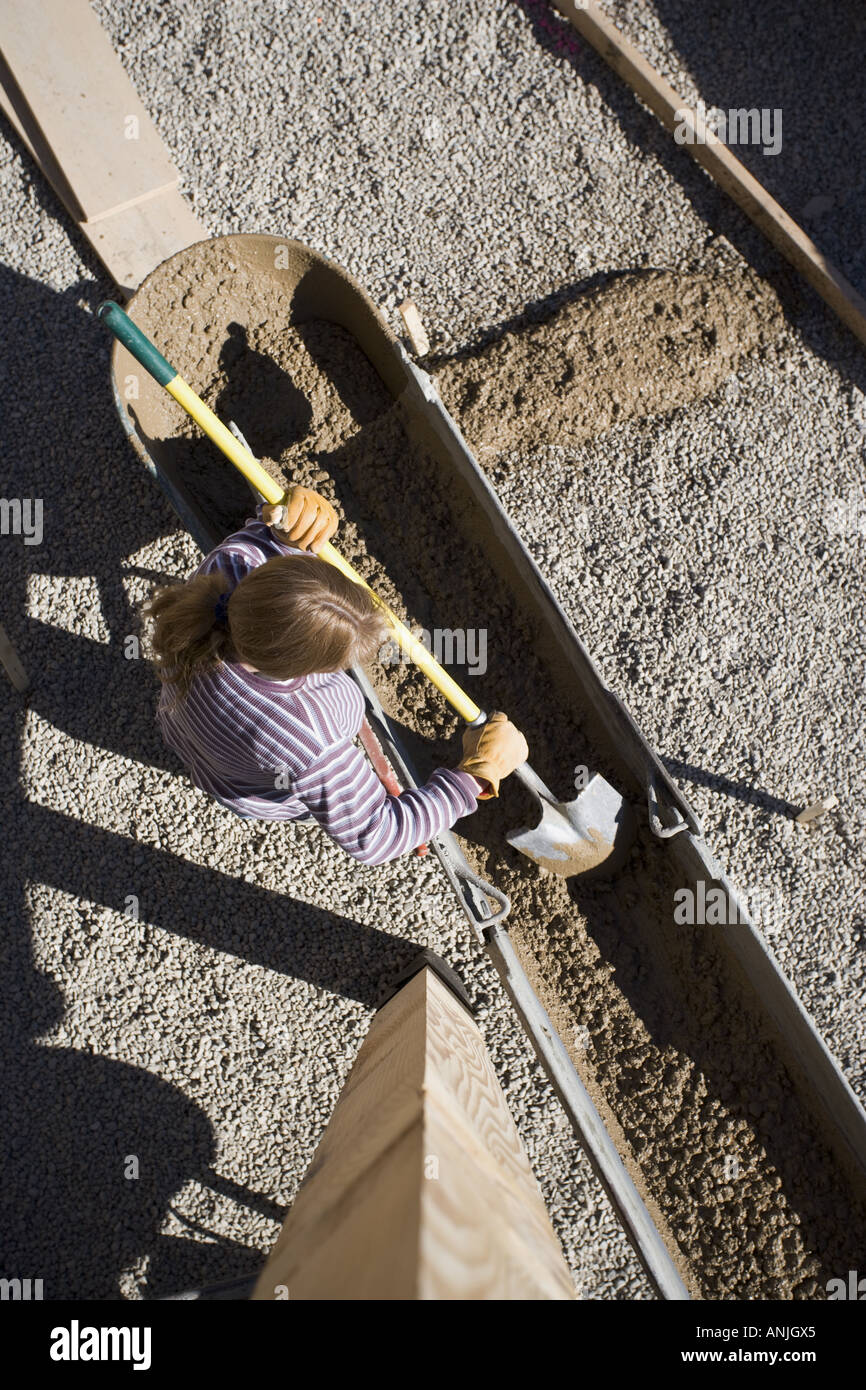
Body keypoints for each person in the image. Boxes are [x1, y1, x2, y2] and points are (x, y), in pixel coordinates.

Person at [144, 485, 528, 865]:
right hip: (253, 791)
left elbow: (268, 533)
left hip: (187, 730)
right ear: (299, 671)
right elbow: (376, 838)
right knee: (316, 775)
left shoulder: (232, 563)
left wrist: (283, 526)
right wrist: (476, 776)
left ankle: (349, 786)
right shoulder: (308, 735)